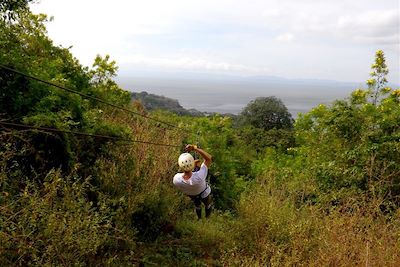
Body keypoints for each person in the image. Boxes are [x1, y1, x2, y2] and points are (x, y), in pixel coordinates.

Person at [173, 144, 213, 219]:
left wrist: (191, 165)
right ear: (192, 165)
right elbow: (208, 158)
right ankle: (207, 218)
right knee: (208, 204)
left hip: (192, 194)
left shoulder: (176, 179)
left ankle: (199, 218)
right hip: (204, 192)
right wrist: (195, 148)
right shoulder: (200, 176)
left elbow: (182, 172)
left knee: (197, 205)